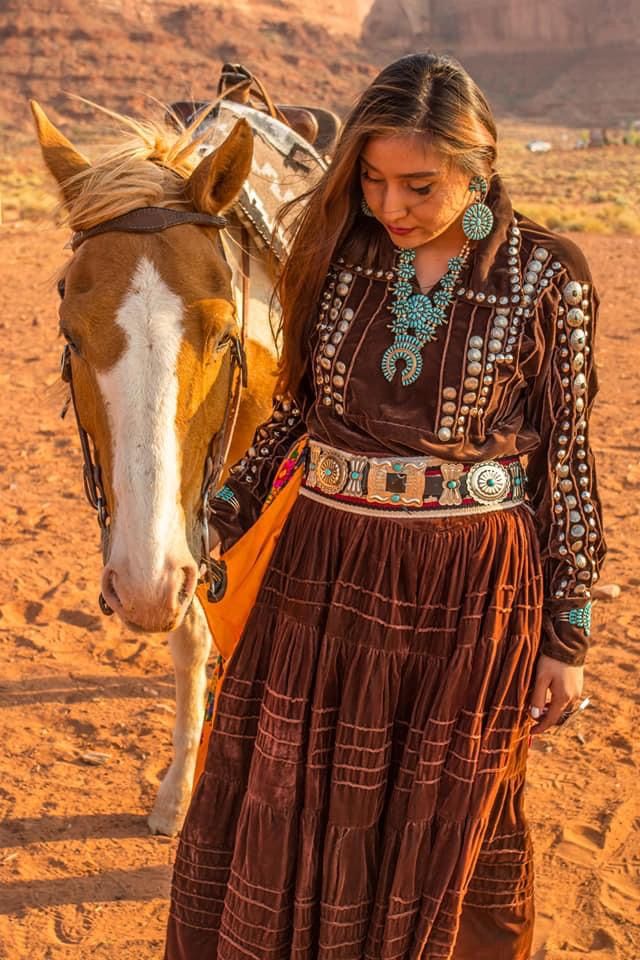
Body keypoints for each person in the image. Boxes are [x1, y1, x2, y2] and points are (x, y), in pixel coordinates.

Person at [164, 53, 605, 960]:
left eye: (418, 185)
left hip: (469, 595)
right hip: (320, 578)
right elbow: (294, 415)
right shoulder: (338, 256)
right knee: (291, 800)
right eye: (372, 180)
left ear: (478, 167)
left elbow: (568, 463)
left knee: (443, 819)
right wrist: (219, 513)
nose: (391, 207)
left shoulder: (546, 277)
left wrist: (566, 635)